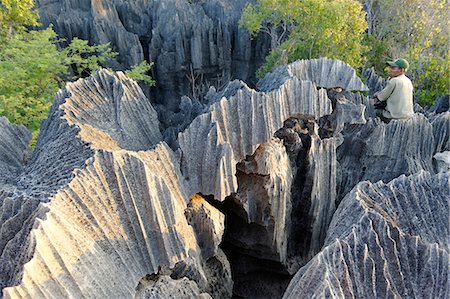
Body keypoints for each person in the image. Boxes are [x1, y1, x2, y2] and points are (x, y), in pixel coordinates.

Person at [374, 58, 414, 123]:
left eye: (393, 68)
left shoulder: (394, 81)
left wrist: (376, 95)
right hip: (408, 117)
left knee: (376, 112)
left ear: (402, 70)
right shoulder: (408, 81)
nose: (390, 70)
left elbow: (381, 97)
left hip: (394, 117)